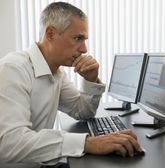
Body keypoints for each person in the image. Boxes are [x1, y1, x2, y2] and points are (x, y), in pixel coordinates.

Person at [0, 2, 142, 168]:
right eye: (77, 38)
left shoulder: (56, 73)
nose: (84, 49)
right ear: (51, 33)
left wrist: (90, 80)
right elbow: (9, 142)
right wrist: (88, 143)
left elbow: (82, 112)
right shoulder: (12, 69)